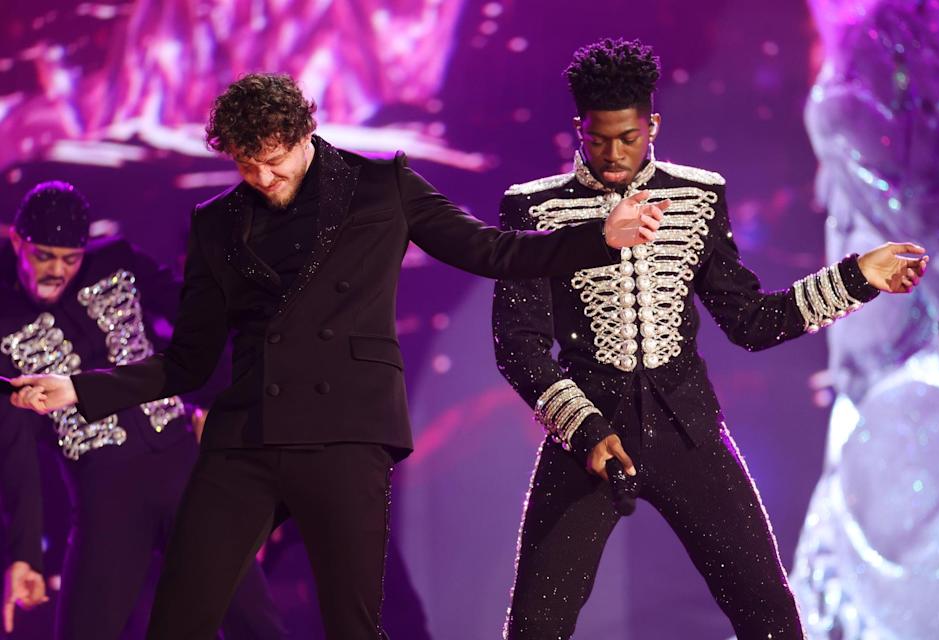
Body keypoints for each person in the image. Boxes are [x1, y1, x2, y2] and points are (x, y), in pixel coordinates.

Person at [7, 73, 664, 639]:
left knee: (351, 623)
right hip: (246, 441)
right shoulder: (217, 222)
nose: (262, 179)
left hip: (346, 435)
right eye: (245, 164)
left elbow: (491, 251)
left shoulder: (383, 187)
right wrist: (80, 390)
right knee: (179, 617)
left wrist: (596, 239)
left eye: (273, 160)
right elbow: (188, 362)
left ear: (303, 135)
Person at [492, 38, 929, 639]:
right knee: (536, 627)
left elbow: (750, 321)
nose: (614, 155)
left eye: (629, 137)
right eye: (598, 140)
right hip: (587, 437)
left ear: (653, 125)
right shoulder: (535, 208)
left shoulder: (697, 196)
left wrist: (857, 277)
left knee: (770, 617)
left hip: (688, 431)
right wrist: (587, 430)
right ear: (578, 128)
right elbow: (517, 345)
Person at [0, 181, 288, 639]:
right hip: (105, 493)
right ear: (17, 241)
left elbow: (204, 322)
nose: (56, 271)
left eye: (69, 259)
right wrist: (24, 554)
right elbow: (14, 447)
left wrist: (218, 407)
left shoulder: (116, 261)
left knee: (254, 623)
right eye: (43, 256)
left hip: (185, 471)